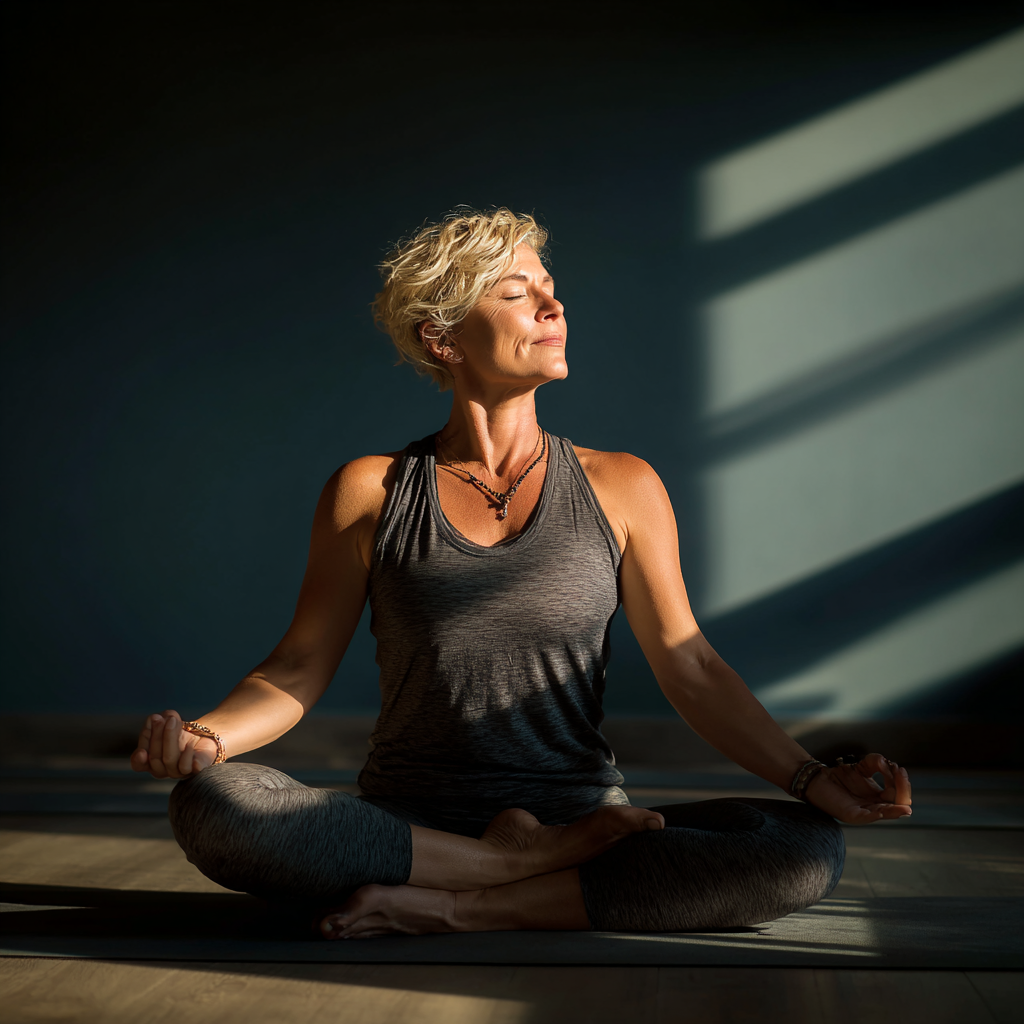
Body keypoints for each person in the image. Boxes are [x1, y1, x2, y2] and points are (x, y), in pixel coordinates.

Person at [131, 208, 912, 939]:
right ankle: (515, 870)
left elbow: (690, 665)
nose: (552, 308)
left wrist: (813, 778)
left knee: (803, 846)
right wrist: (207, 737)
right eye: (518, 293)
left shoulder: (621, 485)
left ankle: (457, 908)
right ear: (444, 338)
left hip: (583, 818)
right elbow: (297, 668)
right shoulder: (370, 489)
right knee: (215, 802)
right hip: (408, 828)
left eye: (551, 291)